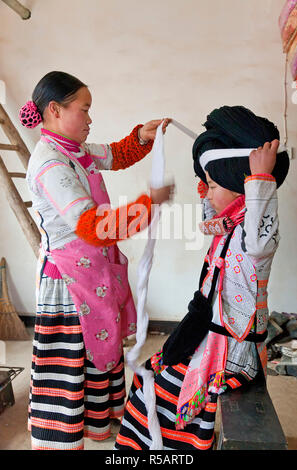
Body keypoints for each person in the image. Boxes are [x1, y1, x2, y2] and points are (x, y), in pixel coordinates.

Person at [114, 105, 290, 450]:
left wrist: (262, 179)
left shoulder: (258, 238)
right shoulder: (233, 221)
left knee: (166, 395)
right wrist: (206, 194)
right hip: (204, 331)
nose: (207, 192)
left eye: (212, 185)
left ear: (244, 184)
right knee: (146, 376)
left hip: (230, 353)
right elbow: (209, 223)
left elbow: (256, 233)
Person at [21, 70, 173, 450]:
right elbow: (90, 225)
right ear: (55, 109)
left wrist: (142, 137)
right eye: (84, 110)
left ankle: (94, 426)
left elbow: (117, 154)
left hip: (92, 271)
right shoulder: (50, 164)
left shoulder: (74, 150)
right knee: (70, 363)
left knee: (97, 352)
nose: (90, 120)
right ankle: (61, 440)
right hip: (68, 282)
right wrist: (147, 205)